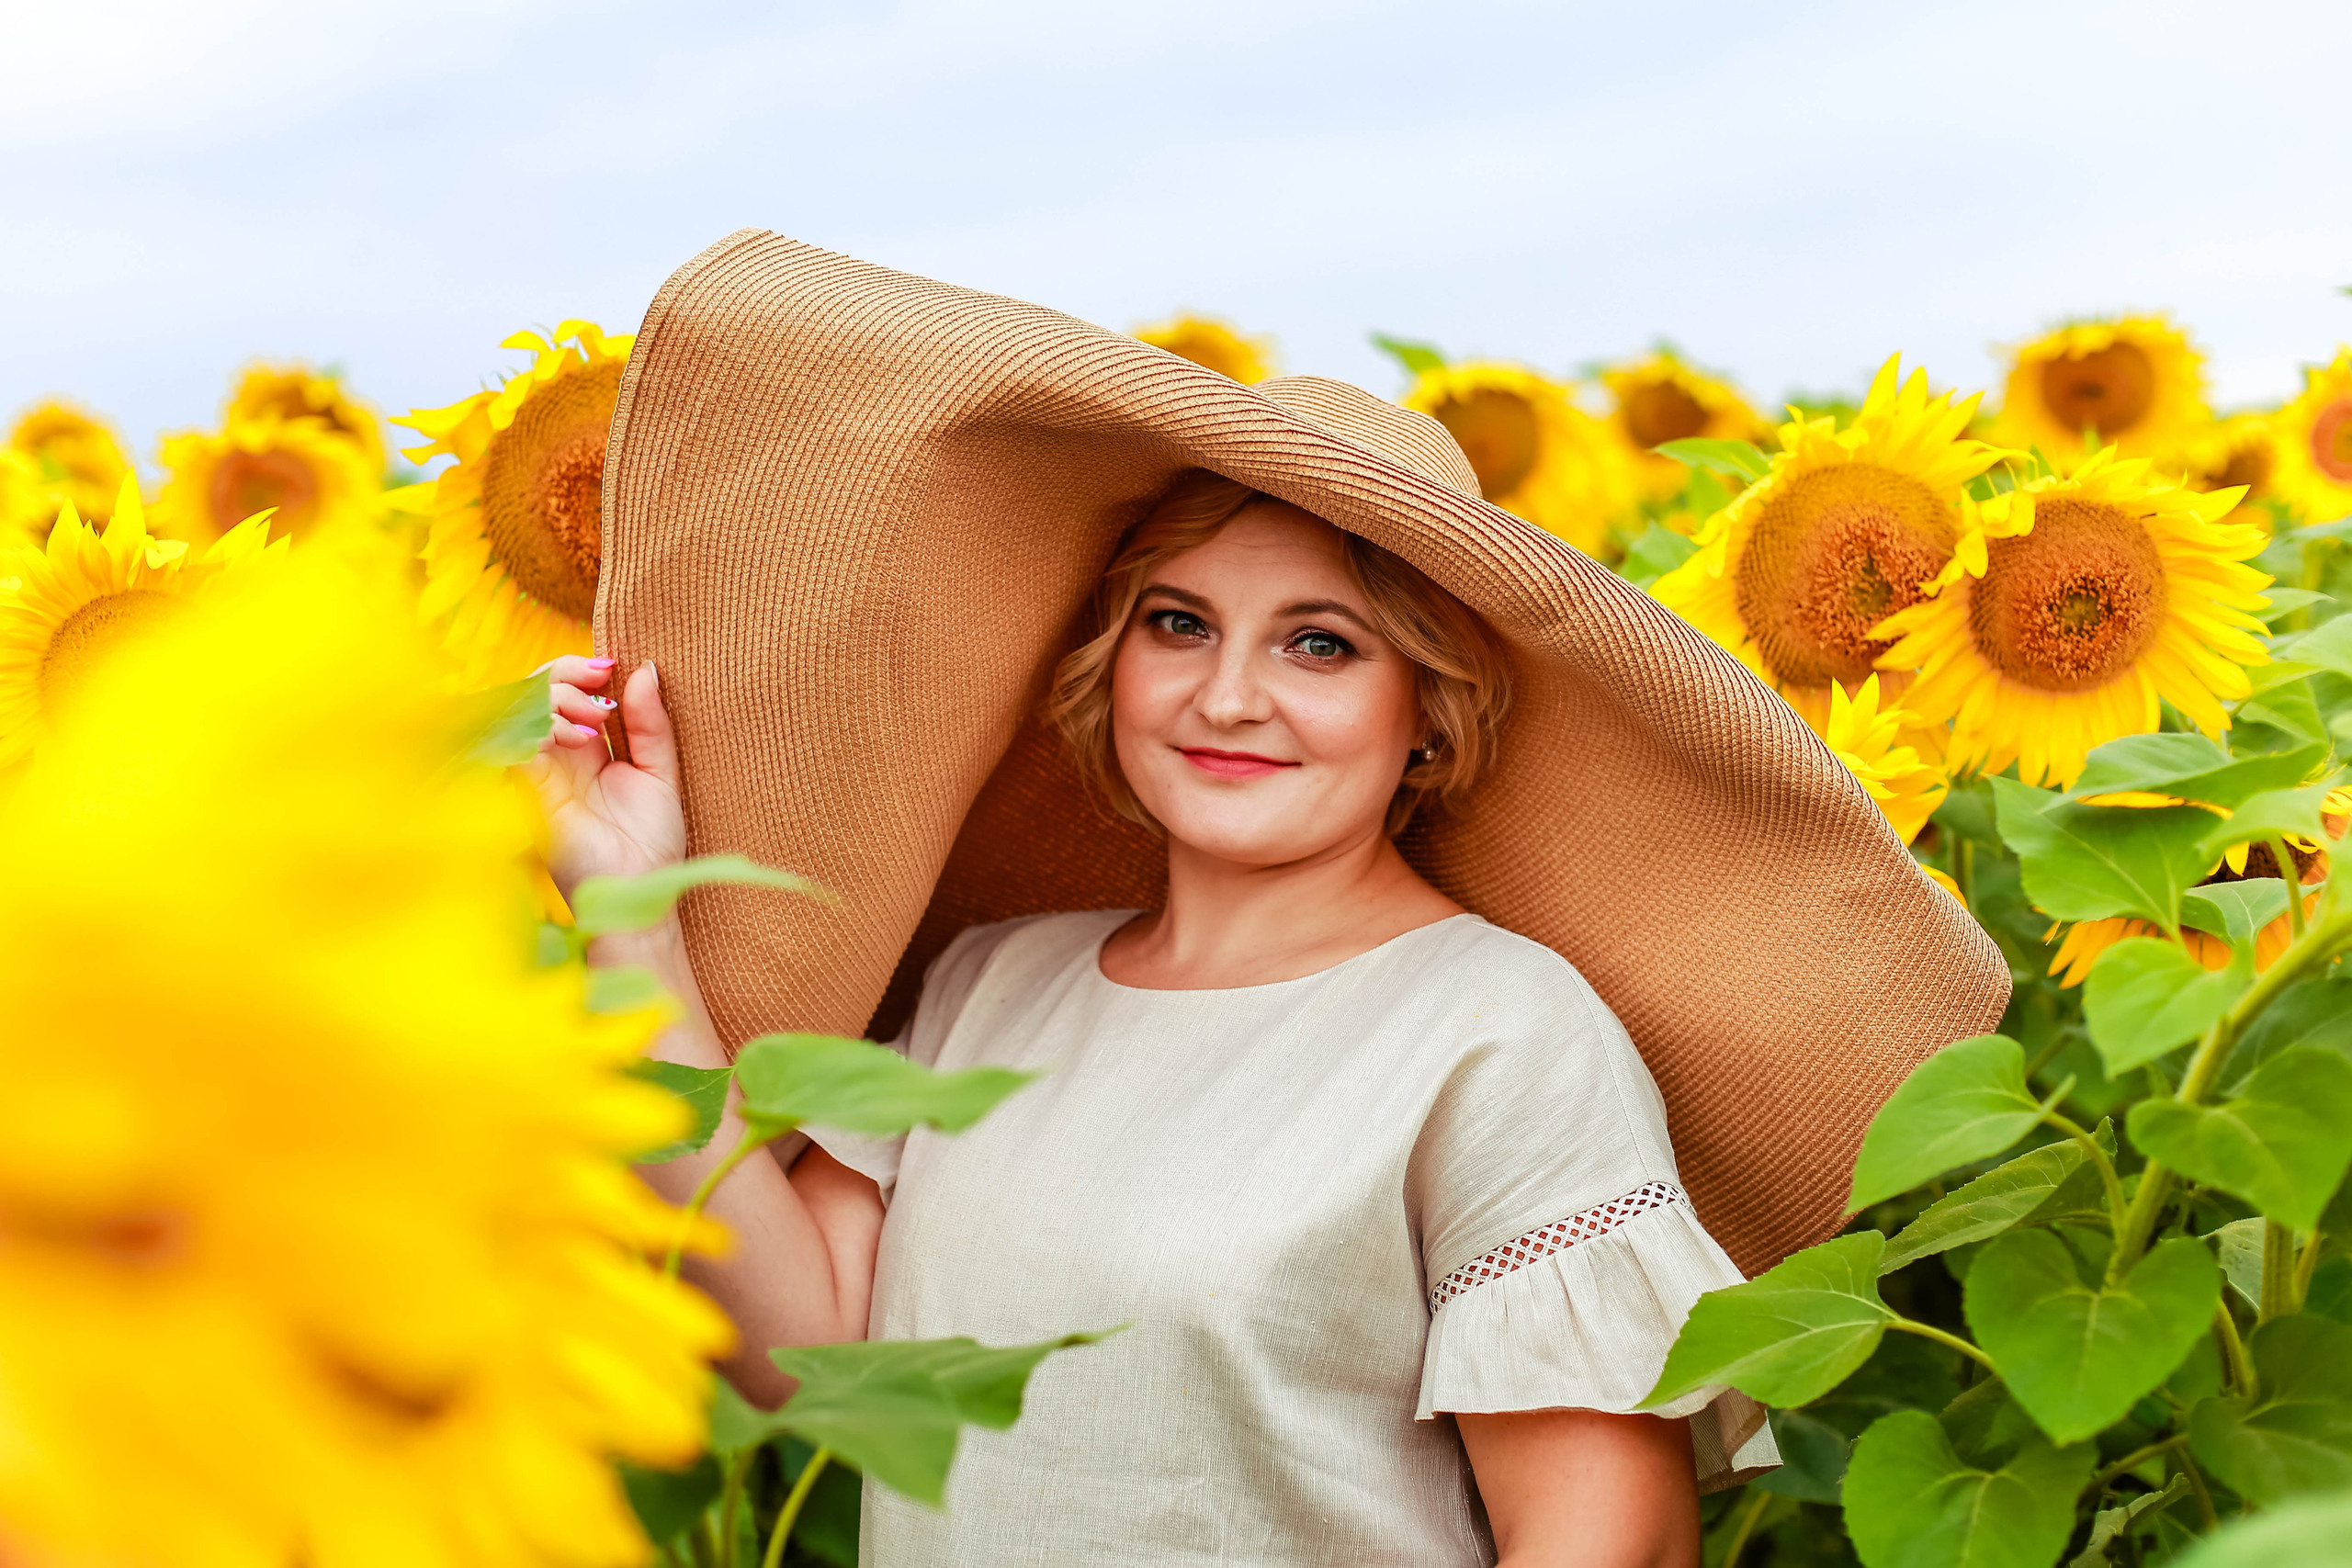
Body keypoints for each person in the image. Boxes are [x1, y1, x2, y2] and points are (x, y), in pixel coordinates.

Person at [532, 231, 2008, 1567]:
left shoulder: (1498, 1033)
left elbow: (1605, 1541)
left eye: (1320, 646)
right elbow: (800, 1359)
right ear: (1111, 668)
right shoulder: (988, 987)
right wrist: (630, 917)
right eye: (1179, 625)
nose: (1228, 696)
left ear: (1428, 713)